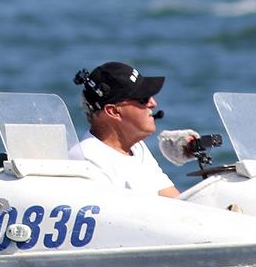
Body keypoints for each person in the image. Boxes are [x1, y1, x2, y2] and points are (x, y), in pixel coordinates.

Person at [70, 61, 181, 197]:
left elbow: (174, 199)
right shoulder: (86, 159)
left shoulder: (136, 148)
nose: (153, 103)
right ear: (113, 111)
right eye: (143, 99)